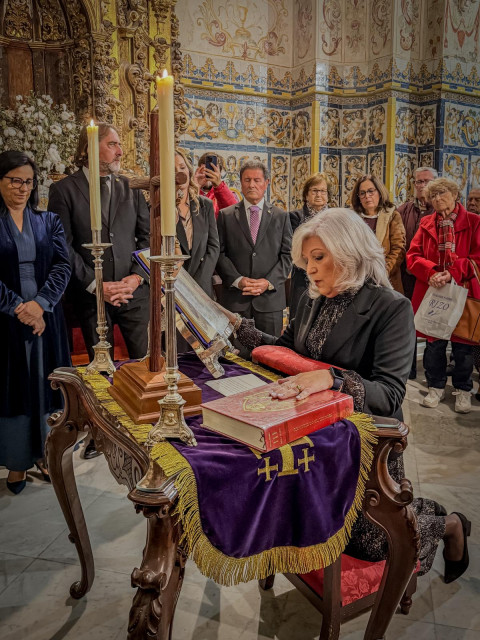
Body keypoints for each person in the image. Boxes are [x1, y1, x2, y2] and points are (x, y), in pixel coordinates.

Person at [222, 208, 470, 584]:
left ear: (349, 251)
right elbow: (286, 352)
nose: (310, 269)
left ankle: (450, 524)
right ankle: (415, 511)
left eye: (318, 257)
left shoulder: (391, 307)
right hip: (318, 433)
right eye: (306, 260)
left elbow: (389, 395)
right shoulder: (310, 297)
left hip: (368, 441)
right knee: (310, 517)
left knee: (371, 542)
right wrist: (238, 327)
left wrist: (332, 379)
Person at [48, 123, 150, 459]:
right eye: (112, 144)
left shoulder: (130, 187)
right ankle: (99, 434)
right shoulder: (64, 190)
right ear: (90, 148)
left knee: (144, 364)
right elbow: (62, 245)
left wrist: (136, 278)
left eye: (119, 144)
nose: (120, 151)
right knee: (99, 371)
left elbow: (147, 238)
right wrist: (96, 285)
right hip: (91, 298)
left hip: (132, 294)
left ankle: (143, 430)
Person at [0, 151, 71, 494]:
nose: (22, 188)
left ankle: (46, 453)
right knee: (15, 390)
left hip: (46, 316)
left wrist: (40, 305)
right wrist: (18, 307)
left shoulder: (48, 221)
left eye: (28, 181)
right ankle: (16, 462)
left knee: (46, 385)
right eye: (15, 180)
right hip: (6, 320)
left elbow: (62, 265)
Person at [407, 177, 480, 413]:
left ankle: (463, 389)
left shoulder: (474, 221)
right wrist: (431, 273)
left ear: (455, 195)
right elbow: (413, 256)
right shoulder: (426, 223)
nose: (438, 199)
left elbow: (477, 257)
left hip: (463, 292)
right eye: (433, 195)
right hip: (434, 291)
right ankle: (435, 387)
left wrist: (452, 273)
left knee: (463, 348)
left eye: (442, 193)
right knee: (435, 346)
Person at [216, 160, 292, 341]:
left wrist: (268, 282)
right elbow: (219, 253)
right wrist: (237, 280)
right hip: (236, 300)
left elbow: (288, 256)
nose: (252, 185)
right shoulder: (226, 215)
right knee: (235, 355)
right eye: (247, 180)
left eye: (257, 180)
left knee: (270, 353)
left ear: (266, 183)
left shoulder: (281, 216)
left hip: (270, 302)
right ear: (241, 183)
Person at [397, 167, 437, 379]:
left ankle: (433, 374)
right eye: (418, 181)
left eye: (426, 181)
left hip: (433, 279)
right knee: (407, 324)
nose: (422, 186)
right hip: (408, 277)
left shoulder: (439, 210)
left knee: (432, 327)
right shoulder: (403, 210)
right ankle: (408, 369)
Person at [175, 149, 220, 297]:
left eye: (182, 168)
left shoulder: (204, 205)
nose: (179, 174)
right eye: (173, 170)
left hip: (202, 288)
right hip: (174, 286)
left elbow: (213, 247)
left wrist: (199, 283)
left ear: (188, 171)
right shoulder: (158, 208)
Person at [351, 174, 406, 293]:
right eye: (362, 193)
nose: (367, 196)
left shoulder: (392, 215)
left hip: (386, 279)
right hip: (358, 279)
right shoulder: (352, 218)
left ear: (379, 193)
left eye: (371, 191)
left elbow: (398, 249)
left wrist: (382, 272)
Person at [289, 172, 332, 318]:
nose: (319, 195)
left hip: (329, 277)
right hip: (303, 277)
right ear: (306, 194)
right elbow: (295, 248)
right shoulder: (295, 217)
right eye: (314, 191)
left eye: (323, 191)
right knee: (300, 319)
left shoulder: (335, 218)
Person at [194, 152, 237, 218]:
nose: (209, 173)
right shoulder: (192, 191)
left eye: (213, 170)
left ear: (220, 173)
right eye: (206, 169)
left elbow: (234, 213)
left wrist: (219, 186)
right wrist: (195, 187)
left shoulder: (226, 194)